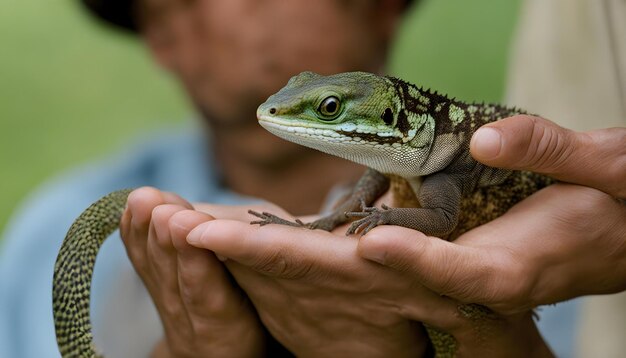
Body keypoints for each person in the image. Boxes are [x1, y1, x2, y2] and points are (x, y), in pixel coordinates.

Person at [119, 0, 626, 357]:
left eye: (331, 108)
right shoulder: (401, 157)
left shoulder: (454, 161)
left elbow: (441, 219)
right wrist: (332, 221)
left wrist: (379, 218)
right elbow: (375, 174)